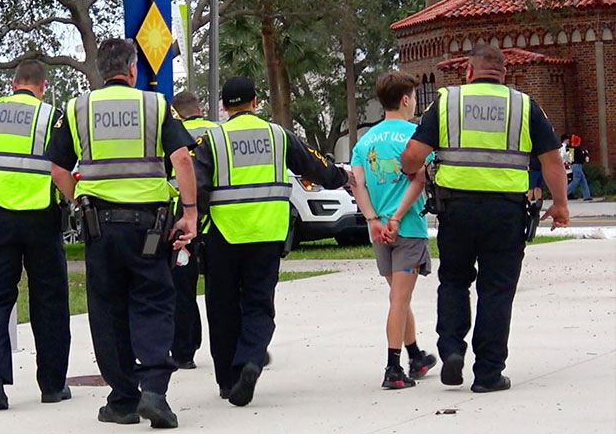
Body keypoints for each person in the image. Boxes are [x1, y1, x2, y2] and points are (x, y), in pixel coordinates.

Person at [400, 44, 569, 393]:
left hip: (456, 212)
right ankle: (489, 373)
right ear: (504, 74)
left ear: (469, 72)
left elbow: (412, 156)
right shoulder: (524, 106)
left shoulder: (447, 102)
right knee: (496, 290)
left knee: (454, 281)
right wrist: (561, 205)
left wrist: (412, 169)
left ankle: (450, 351)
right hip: (506, 214)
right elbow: (552, 161)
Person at [46, 39, 197, 429]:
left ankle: (124, 400)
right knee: (154, 301)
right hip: (150, 227)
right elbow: (181, 158)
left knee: (108, 309)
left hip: (100, 226)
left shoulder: (77, 108)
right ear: (132, 70)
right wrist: (191, 213)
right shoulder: (156, 105)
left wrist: (78, 202)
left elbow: (58, 170)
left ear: (100, 70)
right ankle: (155, 392)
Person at [193, 76, 353, 406]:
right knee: (258, 304)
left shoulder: (214, 139)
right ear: (255, 101)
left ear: (224, 107)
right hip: (267, 235)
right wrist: (340, 175)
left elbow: (197, 187)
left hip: (223, 235)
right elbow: (315, 166)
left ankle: (228, 381)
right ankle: (251, 359)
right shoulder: (277, 136)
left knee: (221, 308)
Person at [0, 60, 71, 410]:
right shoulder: (51, 116)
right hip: (41, 219)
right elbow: (61, 167)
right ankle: (52, 385)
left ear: (13, 83)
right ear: (42, 86)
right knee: (50, 301)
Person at [350, 72, 437, 390]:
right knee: (400, 298)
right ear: (405, 99)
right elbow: (419, 180)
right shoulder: (417, 136)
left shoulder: (364, 141)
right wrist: (398, 217)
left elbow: (357, 183)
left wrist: (373, 219)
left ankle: (416, 356)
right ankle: (393, 367)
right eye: (413, 97)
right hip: (407, 227)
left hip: (378, 232)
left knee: (399, 296)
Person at [168, 91, 218, 370]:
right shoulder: (218, 132)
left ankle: (184, 352)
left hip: (182, 222)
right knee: (221, 288)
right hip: (218, 220)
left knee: (182, 289)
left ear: (176, 112)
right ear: (199, 108)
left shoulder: (172, 133)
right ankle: (233, 346)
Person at [566, 134, 593, 201]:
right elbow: (582, 157)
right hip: (577, 166)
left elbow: (570, 159)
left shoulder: (571, 150)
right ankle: (564, 193)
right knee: (576, 181)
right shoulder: (578, 150)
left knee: (583, 181)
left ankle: (587, 195)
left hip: (574, 166)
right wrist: (585, 153)